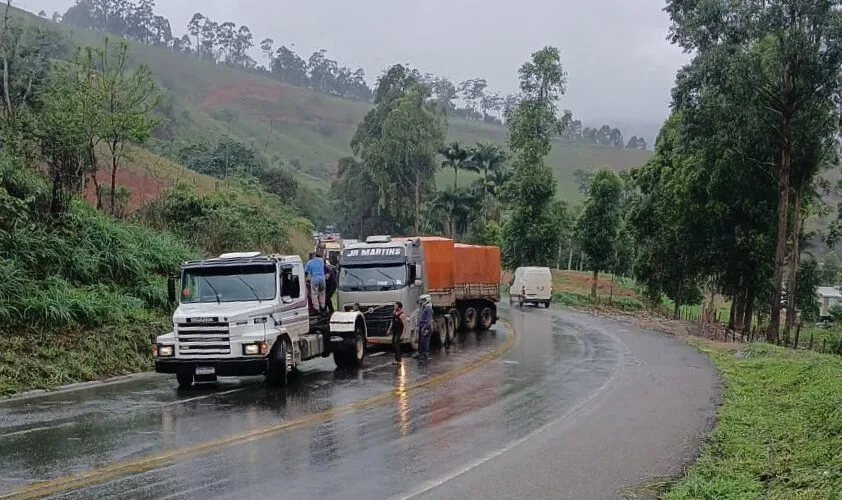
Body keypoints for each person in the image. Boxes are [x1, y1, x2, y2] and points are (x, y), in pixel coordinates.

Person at [416, 294, 433, 361]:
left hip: (426, 327)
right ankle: (421, 354)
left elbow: (428, 320)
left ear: (427, 300)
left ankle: (426, 356)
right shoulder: (423, 307)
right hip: (422, 326)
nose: (421, 301)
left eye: (423, 300)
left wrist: (424, 328)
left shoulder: (428, 308)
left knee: (425, 341)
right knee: (421, 341)